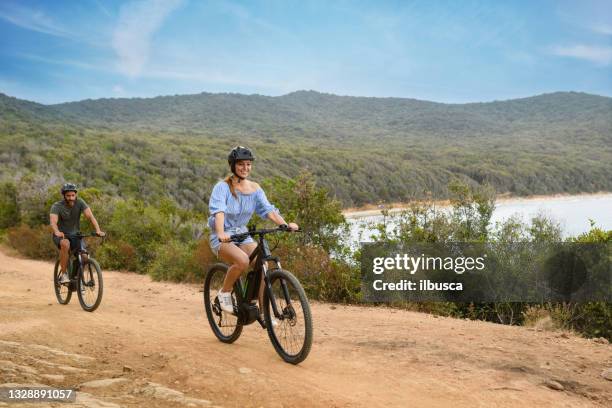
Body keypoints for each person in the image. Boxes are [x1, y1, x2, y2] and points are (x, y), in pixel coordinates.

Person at [208, 146, 298, 314]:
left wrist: (285, 225)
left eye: (248, 164)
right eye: (241, 164)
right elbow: (219, 212)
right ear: (233, 165)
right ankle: (224, 293)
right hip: (222, 236)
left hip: (242, 233)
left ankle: (264, 312)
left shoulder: (255, 188)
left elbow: (268, 210)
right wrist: (221, 233)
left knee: (263, 264)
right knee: (242, 261)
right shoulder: (222, 187)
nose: (245, 168)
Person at [50, 183, 105, 284]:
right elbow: (53, 222)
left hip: (75, 235)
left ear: (75, 195)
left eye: (73, 195)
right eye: (68, 196)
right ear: (64, 196)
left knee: (84, 256)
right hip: (61, 235)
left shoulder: (80, 203)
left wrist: (98, 230)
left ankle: (76, 277)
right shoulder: (57, 206)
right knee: (65, 244)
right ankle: (64, 275)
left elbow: (90, 216)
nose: (71, 198)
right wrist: (57, 231)